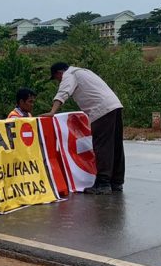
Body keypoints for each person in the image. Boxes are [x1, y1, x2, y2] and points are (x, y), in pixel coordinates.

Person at [44, 62, 124, 194]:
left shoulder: (69, 75)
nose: (58, 81)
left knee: (102, 146)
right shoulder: (84, 72)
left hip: (101, 110)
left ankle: (103, 184)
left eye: (57, 79)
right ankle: (116, 182)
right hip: (114, 106)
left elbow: (63, 92)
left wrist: (52, 112)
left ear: (59, 73)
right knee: (115, 146)